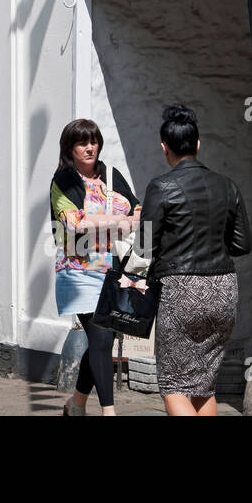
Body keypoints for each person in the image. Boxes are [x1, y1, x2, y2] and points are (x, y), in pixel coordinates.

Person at [133, 105, 251, 416]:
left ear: (164, 148)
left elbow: (143, 248)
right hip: (224, 288)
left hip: (180, 290)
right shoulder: (228, 186)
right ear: (198, 145)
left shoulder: (160, 187)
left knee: (173, 384)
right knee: (203, 384)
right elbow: (242, 244)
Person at [49, 118, 140, 416]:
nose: (89, 148)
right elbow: (75, 225)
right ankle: (109, 412)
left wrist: (124, 220)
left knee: (104, 340)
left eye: (93, 142)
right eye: (82, 143)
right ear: (70, 148)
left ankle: (75, 404)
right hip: (79, 272)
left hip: (113, 271)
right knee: (101, 336)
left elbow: (138, 212)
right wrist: (118, 221)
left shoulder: (112, 176)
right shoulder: (63, 181)